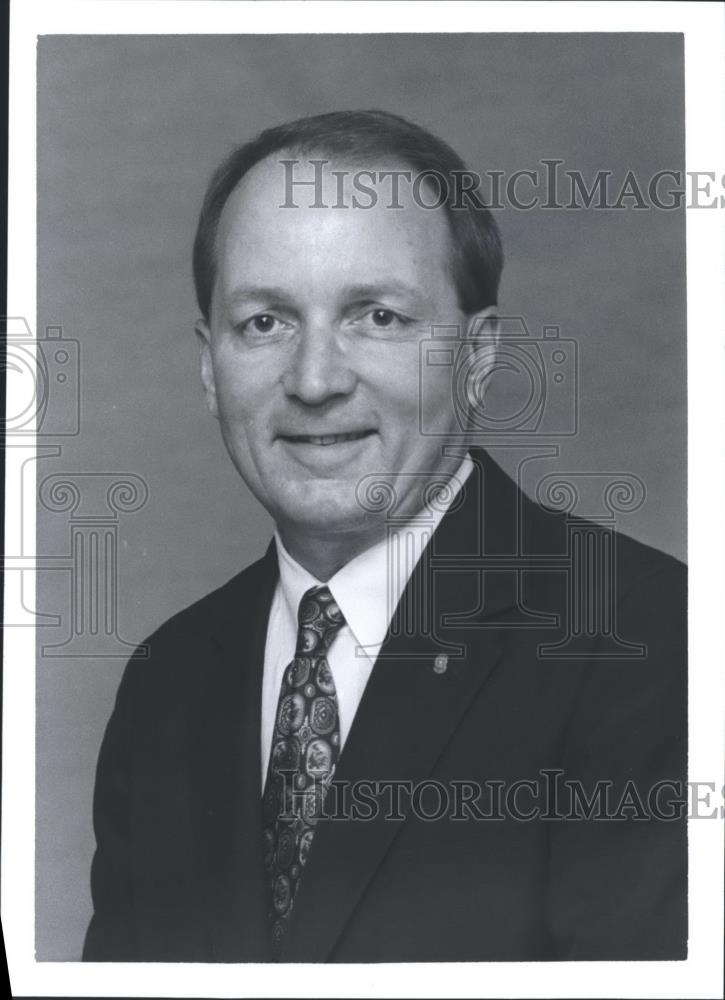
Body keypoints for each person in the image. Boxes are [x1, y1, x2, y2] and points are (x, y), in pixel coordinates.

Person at [83, 110, 687, 963]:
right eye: (265, 322)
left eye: (377, 316)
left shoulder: (652, 642)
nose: (315, 379)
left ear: (477, 357)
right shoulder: (165, 685)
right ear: (208, 366)